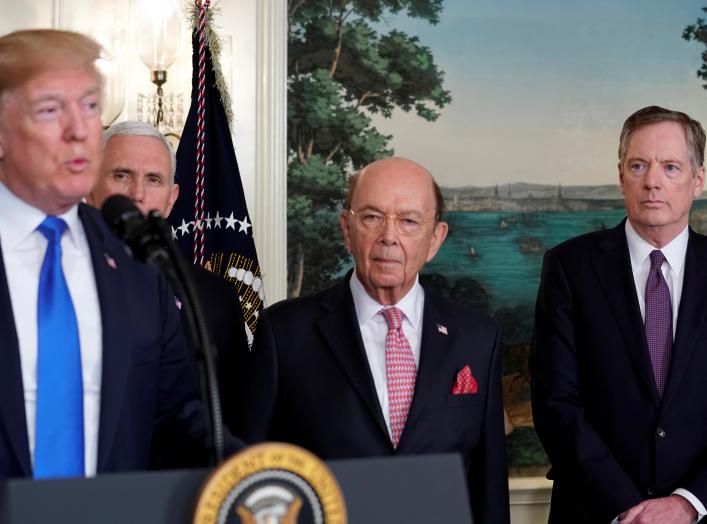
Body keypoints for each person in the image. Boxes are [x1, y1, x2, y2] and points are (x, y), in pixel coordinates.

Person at [0, 29, 239, 479]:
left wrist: (261, 470)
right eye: (50, 110)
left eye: (90, 106)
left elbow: (173, 416)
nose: (78, 130)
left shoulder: (136, 264)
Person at [235, 156, 510, 524]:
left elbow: (488, 487)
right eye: (371, 217)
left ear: (436, 238)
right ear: (347, 229)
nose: (389, 236)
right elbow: (249, 475)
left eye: (409, 221)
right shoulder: (284, 333)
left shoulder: (477, 338)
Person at [531, 106, 707, 524]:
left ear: (698, 179)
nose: (652, 182)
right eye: (638, 165)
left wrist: (686, 503)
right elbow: (556, 404)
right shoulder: (568, 267)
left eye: (670, 167)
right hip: (594, 512)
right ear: (621, 175)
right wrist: (628, 508)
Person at [87, 120, 250, 436]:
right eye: (121, 175)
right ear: (89, 186)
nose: (137, 194)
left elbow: (231, 411)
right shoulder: (55, 274)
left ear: (171, 198)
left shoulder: (213, 296)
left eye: (153, 180)